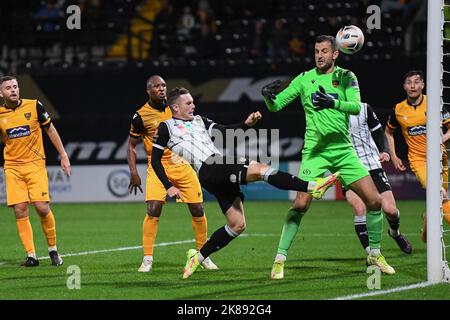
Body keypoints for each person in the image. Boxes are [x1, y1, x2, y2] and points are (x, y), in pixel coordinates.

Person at [151, 87, 339, 279]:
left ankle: (197, 258)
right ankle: (312, 187)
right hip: (210, 167)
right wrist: (169, 186)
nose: (193, 105)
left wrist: (246, 124)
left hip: (216, 169)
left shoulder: (199, 120)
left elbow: (224, 131)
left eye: (192, 101)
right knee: (259, 169)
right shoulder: (166, 127)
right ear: (175, 107)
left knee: (237, 225)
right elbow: (155, 160)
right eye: (188, 103)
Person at [262, 35, 395, 279]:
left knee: (375, 202)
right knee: (301, 204)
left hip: (344, 150)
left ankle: (375, 254)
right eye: (316, 51)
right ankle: (279, 259)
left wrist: (334, 102)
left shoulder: (347, 77)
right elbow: (277, 105)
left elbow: (356, 106)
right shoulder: (304, 79)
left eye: (324, 51)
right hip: (315, 152)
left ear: (335, 54)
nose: (319, 55)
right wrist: (268, 98)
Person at [127, 75, 218, 273]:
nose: (161, 89)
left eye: (163, 85)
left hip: (182, 164)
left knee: (198, 209)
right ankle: (147, 259)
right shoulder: (140, 116)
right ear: (148, 91)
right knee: (153, 208)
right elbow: (131, 145)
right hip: (158, 166)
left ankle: (203, 255)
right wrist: (133, 172)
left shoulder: (176, 108)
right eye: (156, 86)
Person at [0, 75, 70, 267]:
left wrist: (63, 155)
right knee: (20, 210)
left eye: (15, 86)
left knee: (41, 207)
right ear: (1, 93)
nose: (13, 90)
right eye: (8, 88)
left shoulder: (34, 106)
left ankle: (53, 250)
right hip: (13, 168)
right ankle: (31, 256)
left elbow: (51, 130)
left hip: (35, 164)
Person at [385, 70, 450, 242]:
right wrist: (394, 155)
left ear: (422, 85)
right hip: (418, 160)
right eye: (409, 82)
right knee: (441, 195)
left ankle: (426, 231)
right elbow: (388, 132)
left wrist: (441, 139)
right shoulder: (399, 109)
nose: (413, 86)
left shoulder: (434, 103)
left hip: (440, 158)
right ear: (404, 87)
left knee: (437, 201)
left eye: (416, 82)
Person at [346, 102, 412, 255]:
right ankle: (372, 255)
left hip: (372, 164)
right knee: (359, 208)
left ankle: (395, 233)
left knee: (390, 210)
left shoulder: (364, 108)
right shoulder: (330, 110)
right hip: (348, 167)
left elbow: (378, 131)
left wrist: (383, 150)